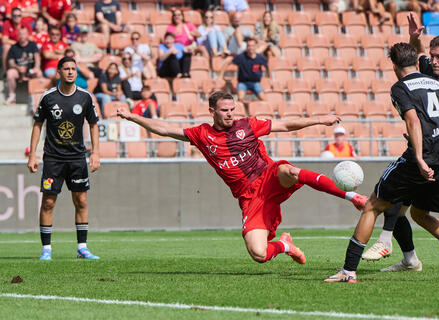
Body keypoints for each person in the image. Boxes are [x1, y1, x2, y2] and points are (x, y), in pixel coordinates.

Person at [117, 91, 368, 265]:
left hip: (268, 176)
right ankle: (285, 246)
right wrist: (132, 117)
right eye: (224, 111)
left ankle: (351, 196)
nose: (230, 115)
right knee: (258, 253)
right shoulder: (201, 134)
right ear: (212, 111)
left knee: (289, 170)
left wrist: (319, 120)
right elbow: (164, 129)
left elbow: (285, 125)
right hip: (249, 196)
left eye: (232, 110)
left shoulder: (247, 125)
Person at [325, 42, 439, 284]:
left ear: (394, 65)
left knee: (373, 206)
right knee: (420, 214)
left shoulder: (400, 87)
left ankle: (348, 271)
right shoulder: (438, 84)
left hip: (421, 158)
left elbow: (413, 121)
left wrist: (418, 155)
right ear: (418, 63)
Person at [361, 13, 439, 270]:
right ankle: (412, 259)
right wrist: (415, 37)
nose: (433, 61)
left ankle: (386, 241)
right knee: (415, 211)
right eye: (431, 56)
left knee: (395, 198)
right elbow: (415, 59)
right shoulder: (429, 70)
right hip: (429, 147)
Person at [27, 56, 101, 261]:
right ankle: (46, 250)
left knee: (81, 201)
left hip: (77, 158)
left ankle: (82, 248)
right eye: (66, 69)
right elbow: (37, 125)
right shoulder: (48, 97)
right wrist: (33, 154)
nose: (70, 72)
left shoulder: (85, 97)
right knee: (48, 202)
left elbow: (94, 124)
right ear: (58, 72)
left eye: (73, 69)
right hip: (53, 159)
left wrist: (96, 152)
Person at [218, 38, 268, 103]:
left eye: (252, 45)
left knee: (264, 100)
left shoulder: (260, 57)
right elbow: (227, 62)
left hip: (256, 83)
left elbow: (267, 66)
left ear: (255, 46)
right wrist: (220, 76)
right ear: (246, 47)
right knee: (240, 99)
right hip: (243, 83)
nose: (250, 48)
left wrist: (270, 77)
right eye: (249, 46)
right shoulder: (241, 57)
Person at [6, 26, 42, 104]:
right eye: (20, 34)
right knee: (10, 73)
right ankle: (12, 96)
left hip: (30, 70)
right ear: (18, 35)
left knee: (38, 73)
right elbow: (11, 62)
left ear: (28, 35)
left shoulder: (32, 45)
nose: (22, 36)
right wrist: (17, 67)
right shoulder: (14, 47)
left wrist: (36, 67)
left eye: (24, 34)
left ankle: (38, 97)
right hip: (18, 71)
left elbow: (37, 58)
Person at [166, 9, 200, 78]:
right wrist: (173, 34)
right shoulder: (170, 27)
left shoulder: (188, 25)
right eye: (175, 15)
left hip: (189, 47)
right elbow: (167, 39)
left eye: (179, 15)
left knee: (188, 53)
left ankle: (185, 73)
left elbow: (199, 34)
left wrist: (193, 33)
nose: (177, 17)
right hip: (177, 48)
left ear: (182, 16)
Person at [2, 7, 33, 72]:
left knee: (34, 46)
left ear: (21, 16)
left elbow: (31, 38)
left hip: (24, 44)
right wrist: (17, 43)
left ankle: (31, 70)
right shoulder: (7, 23)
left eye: (19, 15)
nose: (17, 17)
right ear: (11, 16)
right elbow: (4, 40)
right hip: (14, 46)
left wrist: (23, 42)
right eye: (14, 15)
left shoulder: (26, 23)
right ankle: (5, 71)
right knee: (6, 47)